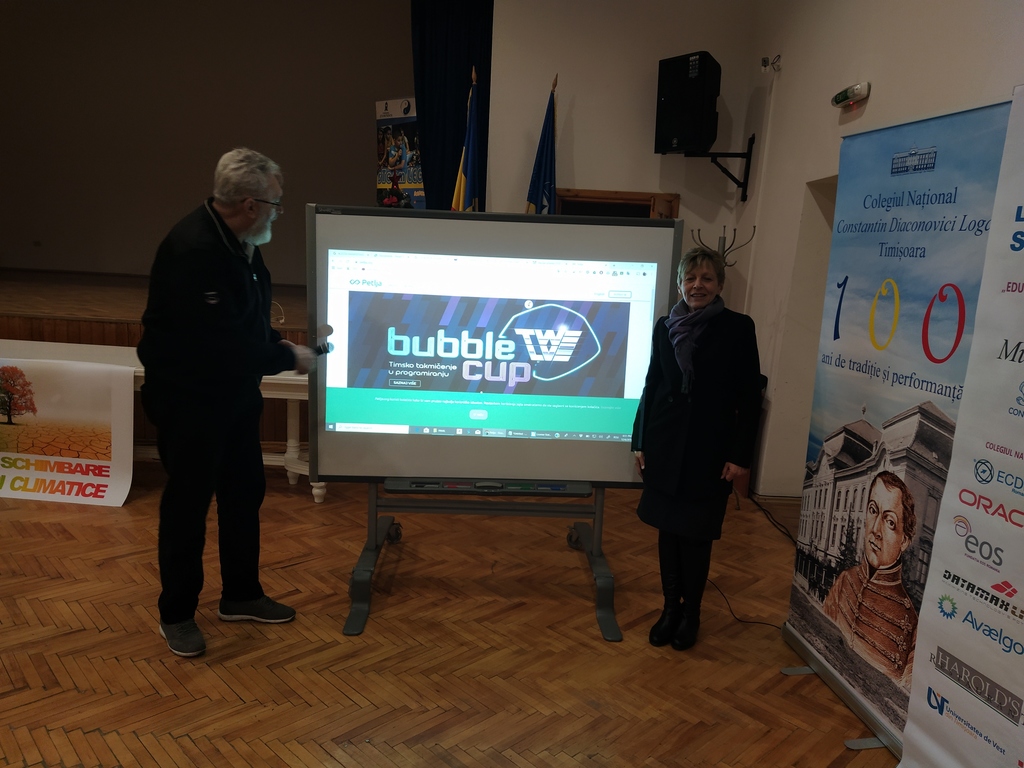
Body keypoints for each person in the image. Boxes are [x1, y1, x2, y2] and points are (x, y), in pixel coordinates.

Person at [138, 147, 317, 657]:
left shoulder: (243, 243)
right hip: (189, 402)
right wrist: (288, 357)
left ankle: (241, 595)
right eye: (275, 204)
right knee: (188, 507)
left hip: (234, 394)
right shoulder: (194, 251)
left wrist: (276, 341)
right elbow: (220, 345)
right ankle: (176, 614)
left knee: (243, 495)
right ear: (250, 204)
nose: (279, 213)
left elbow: (246, 321)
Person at [631, 246, 762, 651]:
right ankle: (670, 609)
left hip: (709, 451)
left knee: (695, 535)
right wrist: (639, 440)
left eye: (706, 278)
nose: (697, 285)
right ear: (680, 284)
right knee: (668, 532)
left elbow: (749, 397)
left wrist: (740, 455)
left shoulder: (738, 328)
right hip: (665, 445)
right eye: (690, 278)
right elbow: (653, 383)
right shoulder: (664, 326)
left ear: (719, 284)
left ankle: (692, 615)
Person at [822, 470, 918, 689]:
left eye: (890, 522)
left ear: (904, 541)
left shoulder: (911, 623)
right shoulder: (845, 580)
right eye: (873, 511)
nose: (875, 530)